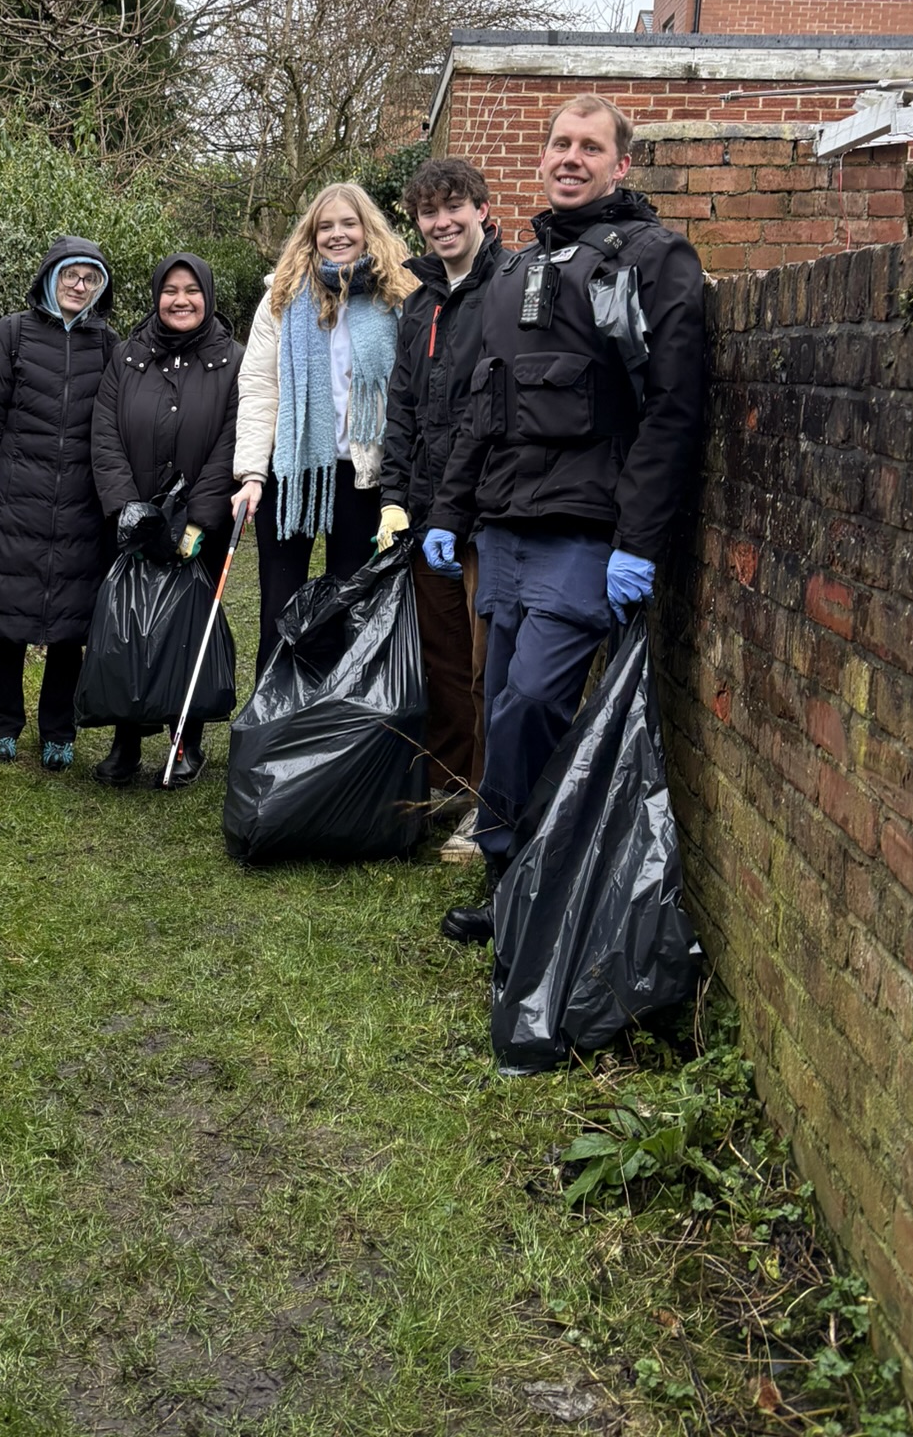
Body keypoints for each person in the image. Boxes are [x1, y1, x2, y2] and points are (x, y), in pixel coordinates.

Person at [426, 95, 706, 944]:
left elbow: (672, 411)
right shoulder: (516, 270)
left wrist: (638, 542)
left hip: (586, 536)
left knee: (531, 705)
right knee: (497, 702)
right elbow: (482, 407)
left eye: (590, 146)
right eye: (559, 144)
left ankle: (530, 868)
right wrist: (450, 510)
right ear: (541, 159)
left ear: (622, 164)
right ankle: (511, 883)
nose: (570, 158)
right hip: (505, 531)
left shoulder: (656, 259)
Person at [376, 157, 508, 850]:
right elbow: (402, 407)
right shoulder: (419, 302)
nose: (442, 222)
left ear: (482, 209)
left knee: (490, 664)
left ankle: (489, 799)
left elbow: (495, 410)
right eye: (429, 213)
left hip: (487, 511)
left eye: (455, 207)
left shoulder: (509, 286)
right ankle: (452, 783)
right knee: (444, 658)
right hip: (428, 513)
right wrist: (394, 499)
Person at [232, 182, 419, 671]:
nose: (337, 234)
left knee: (350, 601)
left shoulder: (396, 295)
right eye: (325, 226)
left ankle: (332, 707)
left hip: (363, 474)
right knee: (278, 601)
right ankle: (271, 708)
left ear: (367, 229)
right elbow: (259, 386)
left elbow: (409, 389)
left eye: (348, 224)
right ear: (311, 235)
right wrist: (251, 473)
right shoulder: (282, 296)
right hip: (293, 470)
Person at [0, 239, 116, 769]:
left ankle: (58, 731)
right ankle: (0, 724)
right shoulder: (13, 333)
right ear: (51, 277)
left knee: (71, 627)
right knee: (10, 617)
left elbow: (118, 427)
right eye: (71, 275)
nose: (79, 286)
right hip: (16, 496)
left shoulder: (108, 345)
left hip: (82, 504)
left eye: (90, 278)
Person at [90, 253, 241, 787]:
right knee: (130, 626)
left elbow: (232, 443)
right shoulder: (126, 357)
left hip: (200, 524)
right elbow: (104, 434)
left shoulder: (234, 362)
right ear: (157, 296)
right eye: (170, 290)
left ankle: (185, 739)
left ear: (208, 296)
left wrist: (198, 518)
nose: (181, 300)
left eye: (192, 290)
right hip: (135, 521)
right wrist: (128, 510)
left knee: (188, 628)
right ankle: (126, 739)